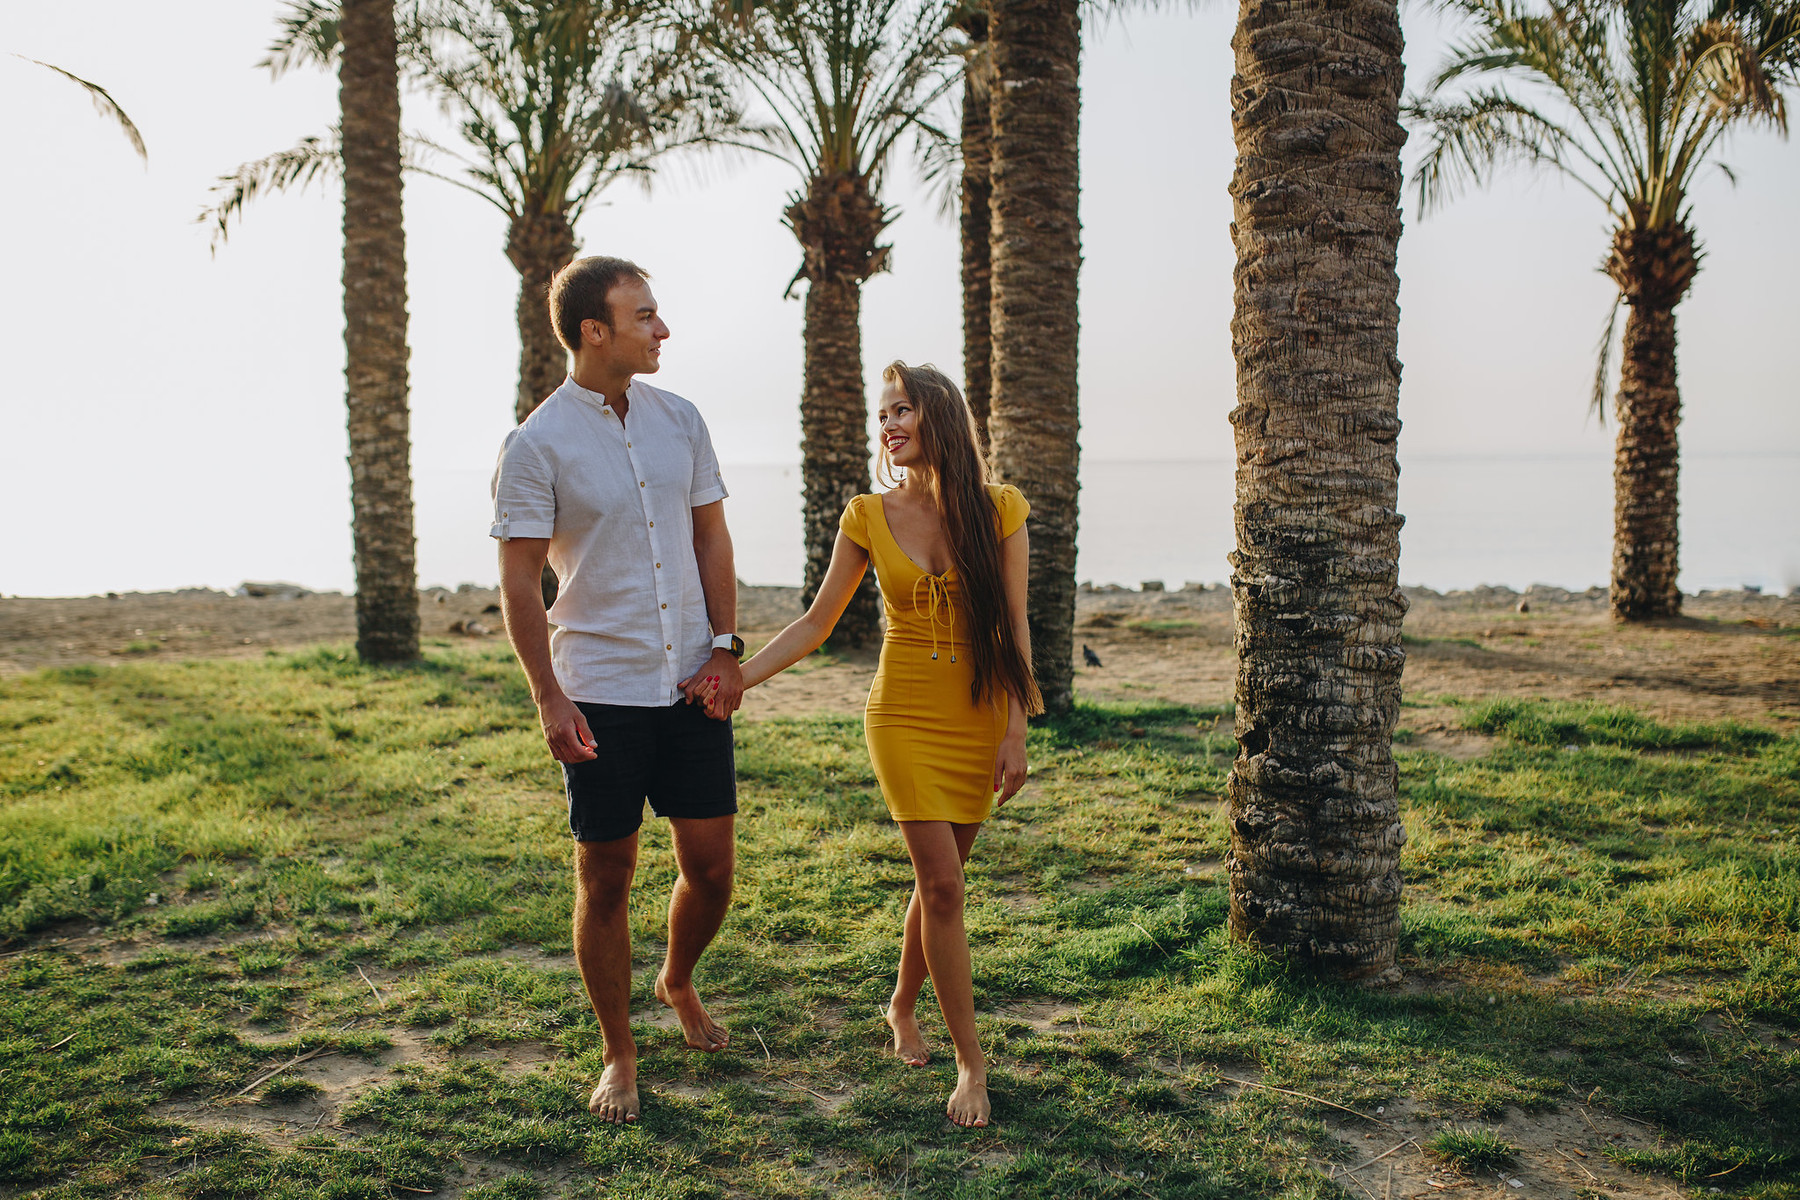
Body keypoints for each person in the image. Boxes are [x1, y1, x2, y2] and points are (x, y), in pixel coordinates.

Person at [705, 360, 1043, 1128]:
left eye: (900, 411)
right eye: (883, 414)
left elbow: (1015, 625)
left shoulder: (1001, 511)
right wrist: (740, 679)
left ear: (937, 418)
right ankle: (971, 1064)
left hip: (980, 710)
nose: (887, 426)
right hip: (902, 714)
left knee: (941, 882)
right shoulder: (865, 514)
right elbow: (817, 623)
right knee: (947, 888)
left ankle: (901, 1005)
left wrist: (1018, 725)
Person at [491, 256, 747, 1126]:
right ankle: (620, 1052)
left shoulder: (683, 421)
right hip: (598, 687)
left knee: (711, 871)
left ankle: (676, 981)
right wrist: (549, 698)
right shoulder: (536, 445)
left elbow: (711, 539)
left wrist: (725, 647)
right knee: (607, 875)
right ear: (594, 331)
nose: (662, 329)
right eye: (645, 316)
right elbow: (521, 585)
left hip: (689, 686)